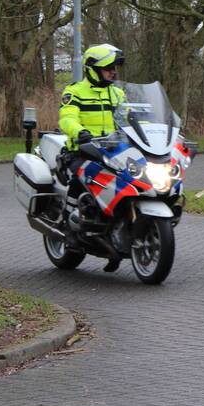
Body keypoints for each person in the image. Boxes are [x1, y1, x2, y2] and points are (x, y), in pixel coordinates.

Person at [57, 43, 126, 271]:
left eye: (114, 67)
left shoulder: (118, 93)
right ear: (93, 68)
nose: (113, 72)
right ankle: (69, 228)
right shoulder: (75, 91)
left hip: (113, 152)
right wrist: (80, 132)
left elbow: (133, 119)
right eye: (109, 68)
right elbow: (66, 118)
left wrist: (151, 131)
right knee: (81, 175)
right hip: (82, 150)